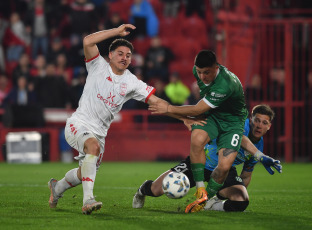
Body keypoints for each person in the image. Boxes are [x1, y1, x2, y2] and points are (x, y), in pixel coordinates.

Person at [47, 24, 205, 215]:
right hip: (78, 123)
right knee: (92, 148)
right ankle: (88, 200)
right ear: (110, 55)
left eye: (128, 55)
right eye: (120, 53)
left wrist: (182, 118)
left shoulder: (132, 82)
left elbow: (158, 103)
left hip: (99, 134)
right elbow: (88, 41)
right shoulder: (97, 65)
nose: (124, 58)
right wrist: (116, 31)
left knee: (83, 173)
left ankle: (57, 188)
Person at [149, 50, 266, 213]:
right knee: (197, 138)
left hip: (232, 123)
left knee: (225, 167)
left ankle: (206, 200)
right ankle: (200, 188)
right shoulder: (197, 72)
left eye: (207, 72)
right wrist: (185, 117)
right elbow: (200, 106)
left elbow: (197, 110)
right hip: (214, 116)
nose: (202, 76)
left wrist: (168, 108)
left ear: (216, 68)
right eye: (199, 72)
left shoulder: (225, 84)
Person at [133, 104, 282, 212]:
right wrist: (260, 155)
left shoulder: (259, 146)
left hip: (223, 170)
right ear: (250, 119)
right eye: (256, 120)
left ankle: (213, 205)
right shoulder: (241, 125)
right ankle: (142, 190)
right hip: (199, 163)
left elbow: (246, 174)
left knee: (241, 201)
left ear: (269, 126)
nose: (259, 125)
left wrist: (227, 192)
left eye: (264, 123)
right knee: (157, 190)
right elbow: (241, 140)